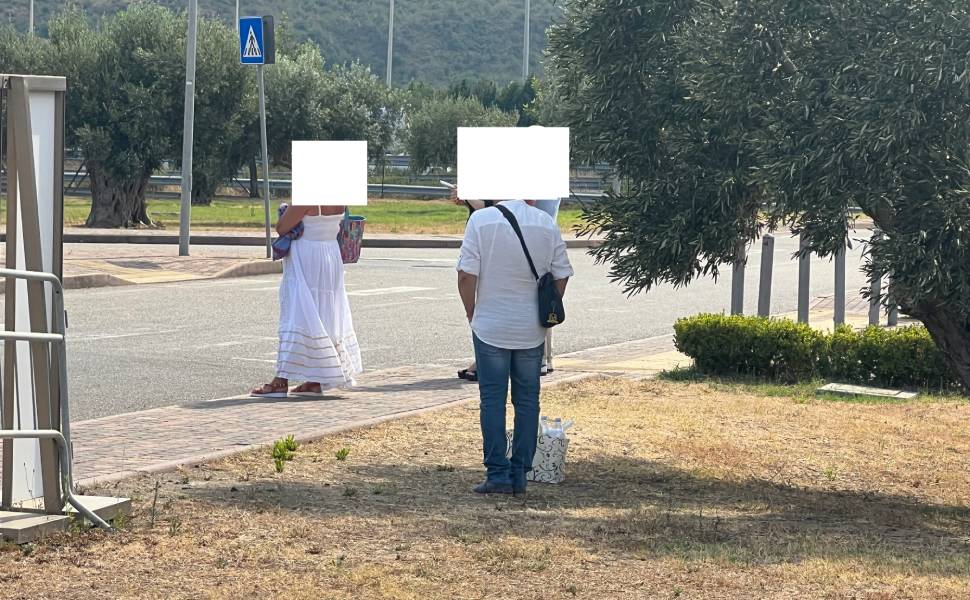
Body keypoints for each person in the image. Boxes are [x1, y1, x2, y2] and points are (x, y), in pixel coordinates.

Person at [457, 199, 573, 495]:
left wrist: (472, 312)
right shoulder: (546, 222)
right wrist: (546, 306)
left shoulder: (481, 220)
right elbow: (562, 274)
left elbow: (466, 275)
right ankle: (520, 471)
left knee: (492, 400)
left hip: (490, 323)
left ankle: (497, 473)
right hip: (530, 327)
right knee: (528, 400)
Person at [251, 204, 363, 397]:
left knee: (297, 313)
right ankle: (315, 380)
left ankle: (281, 380)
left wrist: (285, 210)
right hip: (330, 254)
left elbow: (282, 227)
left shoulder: (305, 198)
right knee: (325, 314)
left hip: (306, 256)